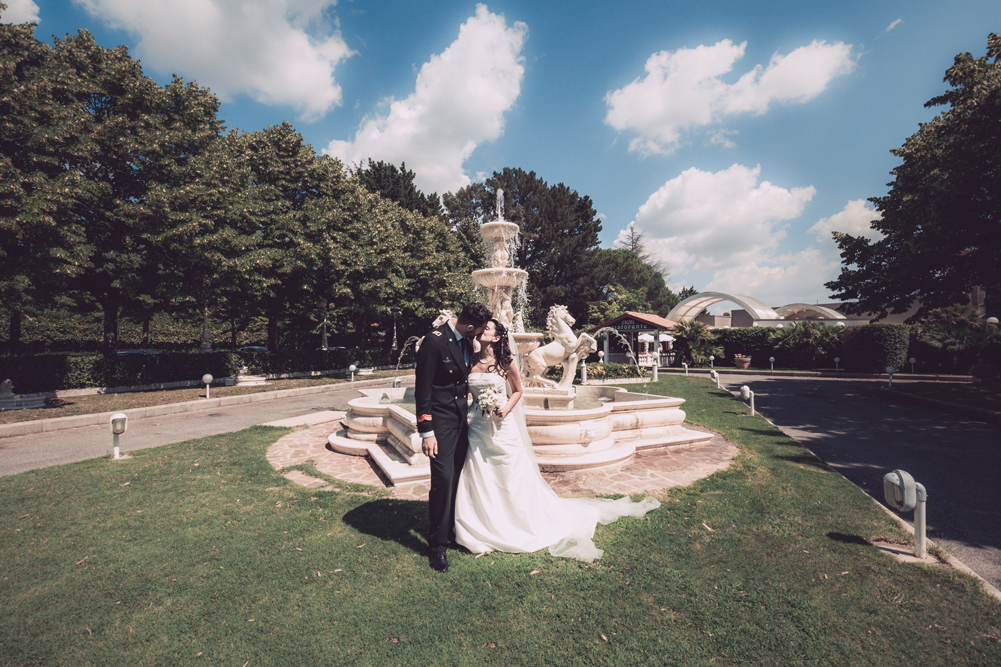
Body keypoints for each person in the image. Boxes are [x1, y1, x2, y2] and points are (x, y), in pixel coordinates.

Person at [455, 319, 660, 562]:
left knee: (509, 471)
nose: (482, 329)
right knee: (479, 471)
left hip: (502, 426)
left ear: (498, 337)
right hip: (477, 426)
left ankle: (518, 520)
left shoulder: (506, 361)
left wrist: (506, 407)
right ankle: (482, 522)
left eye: (487, 328)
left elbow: (518, 390)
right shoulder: (470, 359)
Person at [415, 302, 493, 572]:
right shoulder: (433, 342)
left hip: (462, 420)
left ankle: (452, 531)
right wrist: (427, 432)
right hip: (441, 422)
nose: (480, 334)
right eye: (479, 330)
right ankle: (437, 546)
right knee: (444, 479)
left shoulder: (467, 341)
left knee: (458, 477)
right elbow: (422, 391)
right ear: (470, 326)